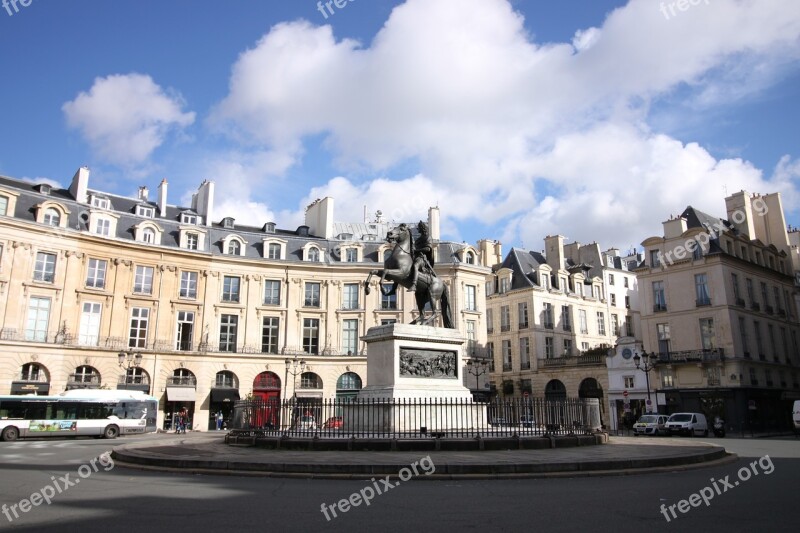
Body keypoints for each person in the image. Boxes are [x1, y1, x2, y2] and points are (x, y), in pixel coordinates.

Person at [409, 220, 435, 292]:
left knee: (415, 265)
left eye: (419, 228)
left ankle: (414, 284)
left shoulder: (428, 237)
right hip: (415, 256)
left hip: (423, 258)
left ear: (422, 228)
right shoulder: (418, 239)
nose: (418, 230)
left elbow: (428, 249)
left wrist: (416, 250)